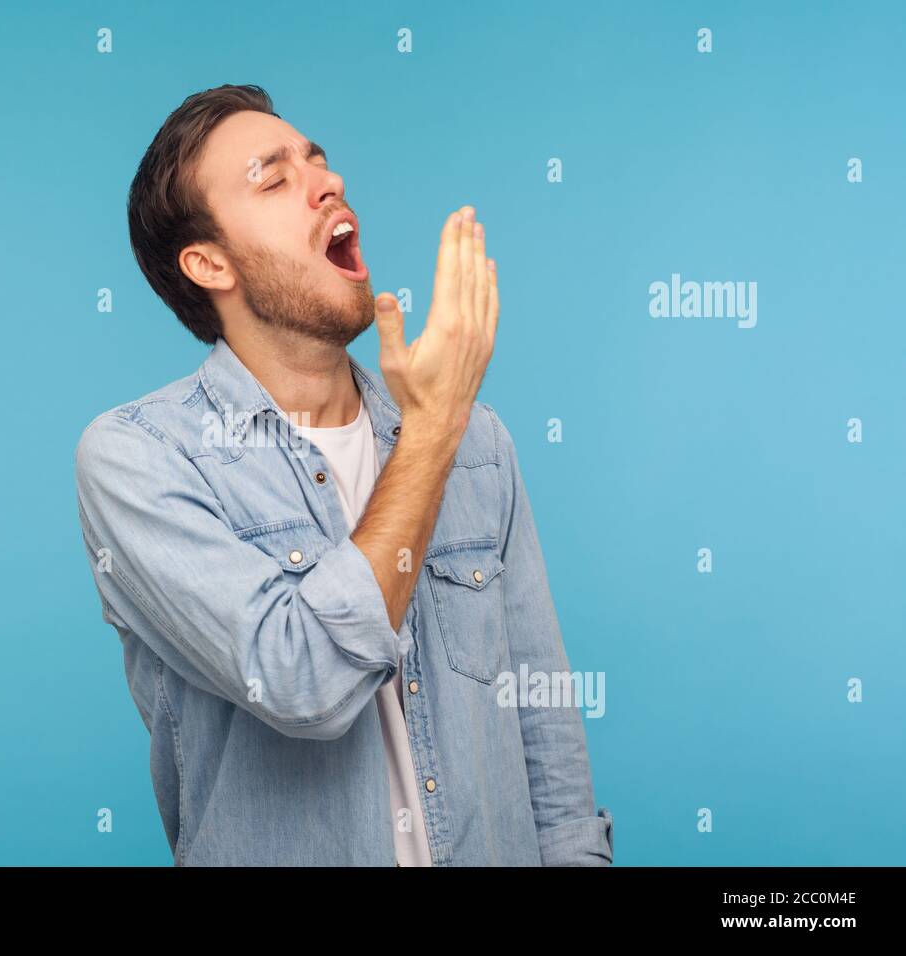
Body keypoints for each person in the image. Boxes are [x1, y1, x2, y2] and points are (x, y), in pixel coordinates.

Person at [75, 84, 613, 866]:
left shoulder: (479, 442)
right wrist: (432, 430)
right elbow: (302, 680)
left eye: (318, 162)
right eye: (274, 178)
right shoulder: (141, 456)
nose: (326, 182)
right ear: (208, 262)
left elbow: (544, 724)